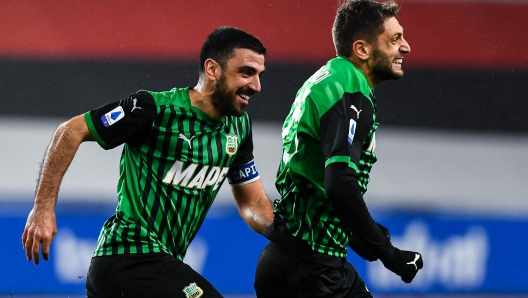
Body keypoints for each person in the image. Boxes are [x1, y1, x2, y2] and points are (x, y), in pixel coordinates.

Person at [22, 26, 274, 297]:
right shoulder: (154, 109)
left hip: (155, 266)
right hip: (127, 257)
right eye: (246, 72)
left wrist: (292, 238)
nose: (256, 86)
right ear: (212, 70)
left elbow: (253, 203)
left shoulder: (238, 127)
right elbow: (70, 131)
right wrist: (42, 208)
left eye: (259, 75)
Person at [254, 1, 423, 297]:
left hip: (282, 260)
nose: (406, 47)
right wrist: (390, 256)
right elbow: (339, 184)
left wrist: (360, 236)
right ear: (362, 49)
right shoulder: (351, 89)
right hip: (317, 272)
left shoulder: (325, 79)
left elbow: (315, 180)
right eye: (395, 39)